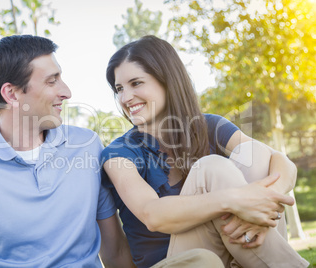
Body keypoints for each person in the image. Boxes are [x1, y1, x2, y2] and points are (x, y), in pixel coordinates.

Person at [0, 35, 135, 267]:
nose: (66, 92)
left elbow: (114, 252)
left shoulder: (87, 146)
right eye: (52, 81)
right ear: (11, 94)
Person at [101, 35, 309, 268]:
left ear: (166, 81)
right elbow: (153, 215)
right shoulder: (118, 152)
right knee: (212, 167)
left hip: (229, 245)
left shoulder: (209, 125)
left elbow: (282, 162)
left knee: (255, 152)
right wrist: (235, 200)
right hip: (177, 261)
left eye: (136, 83)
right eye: (119, 88)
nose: (125, 98)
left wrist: (261, 206)